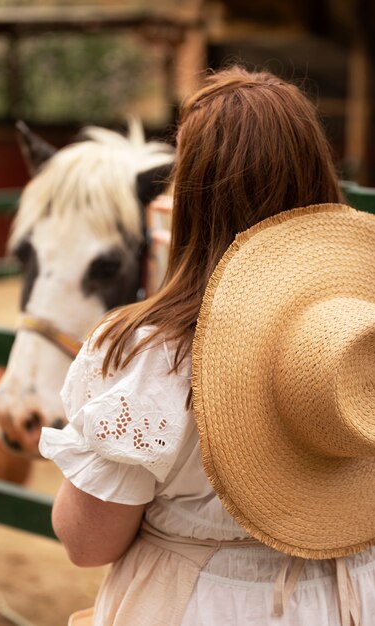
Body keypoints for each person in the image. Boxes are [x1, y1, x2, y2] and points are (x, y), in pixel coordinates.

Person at [39, 65, 375, 625]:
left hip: (207, 606)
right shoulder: (362, 330)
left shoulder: (151, 358)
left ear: (192, 192)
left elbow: (87, 544)